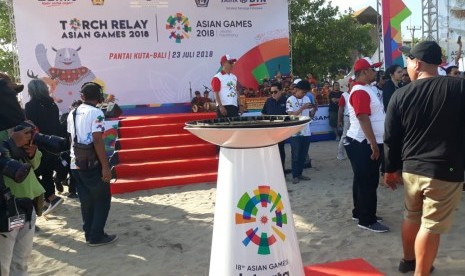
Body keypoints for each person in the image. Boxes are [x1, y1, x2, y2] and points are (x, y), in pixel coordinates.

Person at [384, 41, 465, 275]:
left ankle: (408, 261)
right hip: (444, 171)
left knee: (411, 216)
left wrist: (390, 170)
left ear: (417, 63)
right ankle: (421, 271)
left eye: (407, 61)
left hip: (411, 170)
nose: (406, 66)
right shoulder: (459, 89)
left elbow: (391, 138)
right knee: (431, 225)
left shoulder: (400, 95)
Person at [0, 73, 45, 275]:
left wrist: (32, 152)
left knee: (20, 262)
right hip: (5, 207)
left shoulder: (20, 124)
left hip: (26, 204)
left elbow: (35, 164)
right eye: (8, 94)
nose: (14, 99)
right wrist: (11, 143)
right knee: (3, 264)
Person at [67, 82, 118, 246]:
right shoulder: (96, 113)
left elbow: (71, 138)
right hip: (92, 164)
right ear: (99, 97)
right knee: (102, 198)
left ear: (82, 96)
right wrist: (105, 166)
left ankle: (89, 233)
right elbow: (97, 140)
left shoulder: (72, 113)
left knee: (86, 201)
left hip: (75, 162)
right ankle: (96, 236)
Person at [344, 57, 389, 233]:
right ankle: (367, 219)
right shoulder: (361, 91)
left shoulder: (364, 89)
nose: (375, 72)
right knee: (368, 182)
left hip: (362, 141)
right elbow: (363, 118)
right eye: (372, 69)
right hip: (362, 142)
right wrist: (373, 144)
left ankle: (361, 212)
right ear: (364, 72)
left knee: (362, 180)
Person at [25, 79, 64, 215]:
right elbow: (56, 125)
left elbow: (30, 127)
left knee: (34, 173)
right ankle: (50, 198)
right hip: (53, 143)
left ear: (31, 91)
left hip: (38, 145)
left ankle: (50, 198)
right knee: (47, 172)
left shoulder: (30, 106)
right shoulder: (52, 104)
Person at [286, 80, 314, 184]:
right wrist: (302, 108)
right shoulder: (290, 100)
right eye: (303, 92)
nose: (304, 94)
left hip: (306, 131)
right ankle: (295, 175)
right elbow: (291, 116)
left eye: (306, 92)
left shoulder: (307, 98)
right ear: (296, 90)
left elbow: (310, 115)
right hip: (295, 132)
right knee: (296, 155)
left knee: (303, 154)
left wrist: (314, 109)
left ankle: (300, 173)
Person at [261, 82, 288, 170]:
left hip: (281, 131)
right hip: (269, 131)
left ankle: (281, 170)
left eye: (275, 92)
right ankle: (271, 170)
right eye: (271, 92)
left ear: (281, 91)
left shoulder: (286, 101)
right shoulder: (268, 101)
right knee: (269, 151)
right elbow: (263, 114)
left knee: (280, 150)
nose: (273, 94)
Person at [336, 77, 354, 160]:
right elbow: (340, 108)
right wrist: (339, 120)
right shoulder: (344, 95)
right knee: (344, 135)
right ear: (348, 85)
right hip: (347, 117)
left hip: (357, 118)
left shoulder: (358, 92)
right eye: (351, 83)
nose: (353, 84)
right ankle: (340, 153)